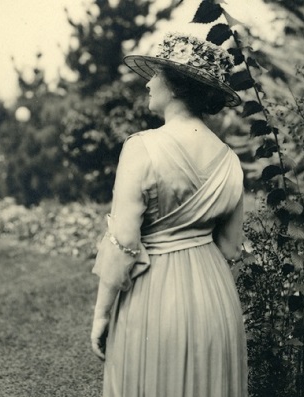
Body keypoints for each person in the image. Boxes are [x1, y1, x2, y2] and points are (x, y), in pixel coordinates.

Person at [91, 32, 248, 397]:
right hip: (215, 300)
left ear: (175, 86)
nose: (148, 82)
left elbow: (124, 242)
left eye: (156, 74)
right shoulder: (230, 160)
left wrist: (101, 313)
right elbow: (230, 247)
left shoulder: (141, 148)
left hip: (155, 296)